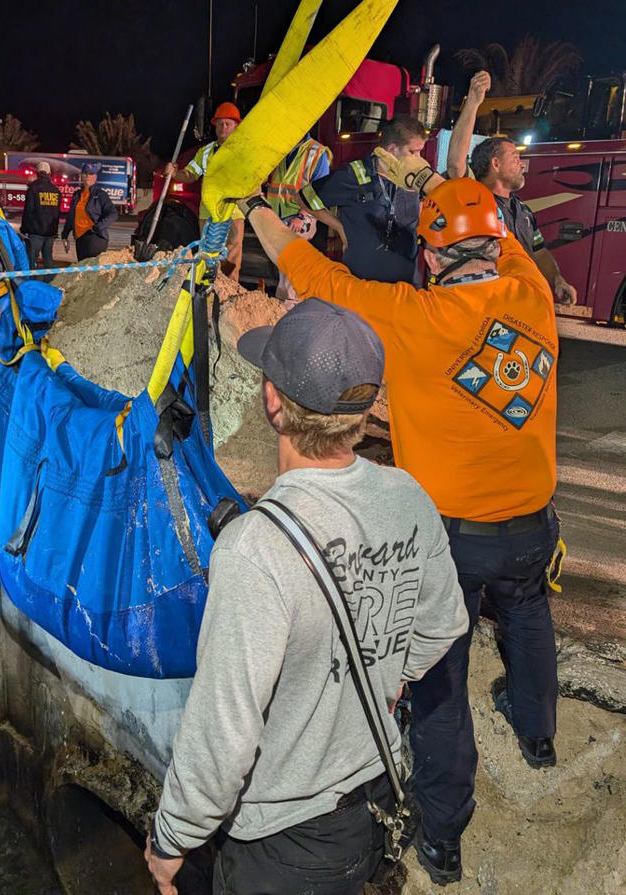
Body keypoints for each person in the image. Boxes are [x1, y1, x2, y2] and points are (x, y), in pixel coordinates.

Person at [238, 169, 561, 886]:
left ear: (432, 254)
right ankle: (539, 737)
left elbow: (312, 274)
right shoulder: (530, 291)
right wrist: (451, 185)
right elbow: (502, 237)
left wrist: (257, 211)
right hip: (533, 521)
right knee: (529, 617)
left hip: (454, 537)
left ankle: (442, 838)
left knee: (440, 685)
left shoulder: (413, 316)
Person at [144, 297, 468, 895]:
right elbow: (444, 623)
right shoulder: (408, 497)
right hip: (372, 809)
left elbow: (223, 735)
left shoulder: (254, 549)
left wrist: (171, 840)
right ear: (367, 410)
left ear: (273, 403)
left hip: (282, 844)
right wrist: (386, 676)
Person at [447, 70, 576, 304]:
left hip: (517, 305)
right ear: (495, 164)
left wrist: (557, 280)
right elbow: (456, 165)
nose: (521, 163)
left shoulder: (524, 211)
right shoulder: (475, 200)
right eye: (514, 156)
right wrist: (474, 103)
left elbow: (540, 252)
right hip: (484, 303)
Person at [298, 115, 427, 283]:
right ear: (392, 149)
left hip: (405, 284)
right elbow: (304, 198)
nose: (419, 159)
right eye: (412, 152)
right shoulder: (354, 174)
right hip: (361, 284)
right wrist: (339, 227)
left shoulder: (414, 177)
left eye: (420, 152)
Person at [165, 102, 245, 281]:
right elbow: (190, 174)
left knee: (231, 259)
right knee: (208, 257)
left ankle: (227, 298)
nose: (223, 127)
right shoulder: (205, 152)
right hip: (208, 213)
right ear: (215, 126)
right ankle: (208, 291)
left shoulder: (244, 152)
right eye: (220, 124)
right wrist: (175, 173)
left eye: (228, 124)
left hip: (234, 213)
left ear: (236, 126)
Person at [267, 135, 332, 306]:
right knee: (284, 269)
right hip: (279, 217)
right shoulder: (282, 148)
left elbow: (320, 190)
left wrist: (302, 216)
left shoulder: (316, 152)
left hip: (300, 219)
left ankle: (289, 308)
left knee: (291, 269)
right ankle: (285, 306)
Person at [61, 162, 118, 261]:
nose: (87, 176)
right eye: (85, 173)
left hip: (95, 237)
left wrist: (98, 227)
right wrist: (64, 235)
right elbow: (71, 217)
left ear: (95, 177)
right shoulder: (77, 195)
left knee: (92, 270)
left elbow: (113, 214)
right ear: (81, 176)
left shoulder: (100, 195)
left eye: (91, 174)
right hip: (80, 238)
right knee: (82, 270)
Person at [20, 161, 60, 269]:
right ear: (49, 173)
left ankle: (31, 283)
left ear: (37, 173)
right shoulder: (55, 191)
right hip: (50, 233)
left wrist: (24, 229)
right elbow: (57, 213)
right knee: (48, 261)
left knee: (31, 260)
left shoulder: (33, 189)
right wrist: (55, 231)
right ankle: (49, 283)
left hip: (36, 233)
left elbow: (28, 211)